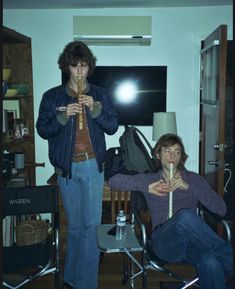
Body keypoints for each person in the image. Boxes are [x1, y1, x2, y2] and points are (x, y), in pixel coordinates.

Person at [36, 41, 119, 289]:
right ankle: (70, 279)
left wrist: (95, 110)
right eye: (75, 66)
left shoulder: (100, 94)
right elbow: (43, 130)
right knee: (74, 227)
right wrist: (63, 116)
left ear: (89, 67)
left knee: (90, 228)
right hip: (67, 170)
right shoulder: (52, 96)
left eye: (83, 66)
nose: (79, 71)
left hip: (93, 166)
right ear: (67, 67)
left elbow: (113, 126)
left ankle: (85, 284)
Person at [108, 133, 233, 289]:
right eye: (167, 151)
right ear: (158, 155)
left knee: (211, 262)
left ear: (182, 156)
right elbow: (113, 181)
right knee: (185, 216)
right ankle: (230, 262)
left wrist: (188, 187)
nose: (172, 155)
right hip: (164, 243)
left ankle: (225, 263)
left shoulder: (193, 179)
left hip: (191, 244)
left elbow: (221, 209)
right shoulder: (149, 179)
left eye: (177, 151)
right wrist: (147, 187)